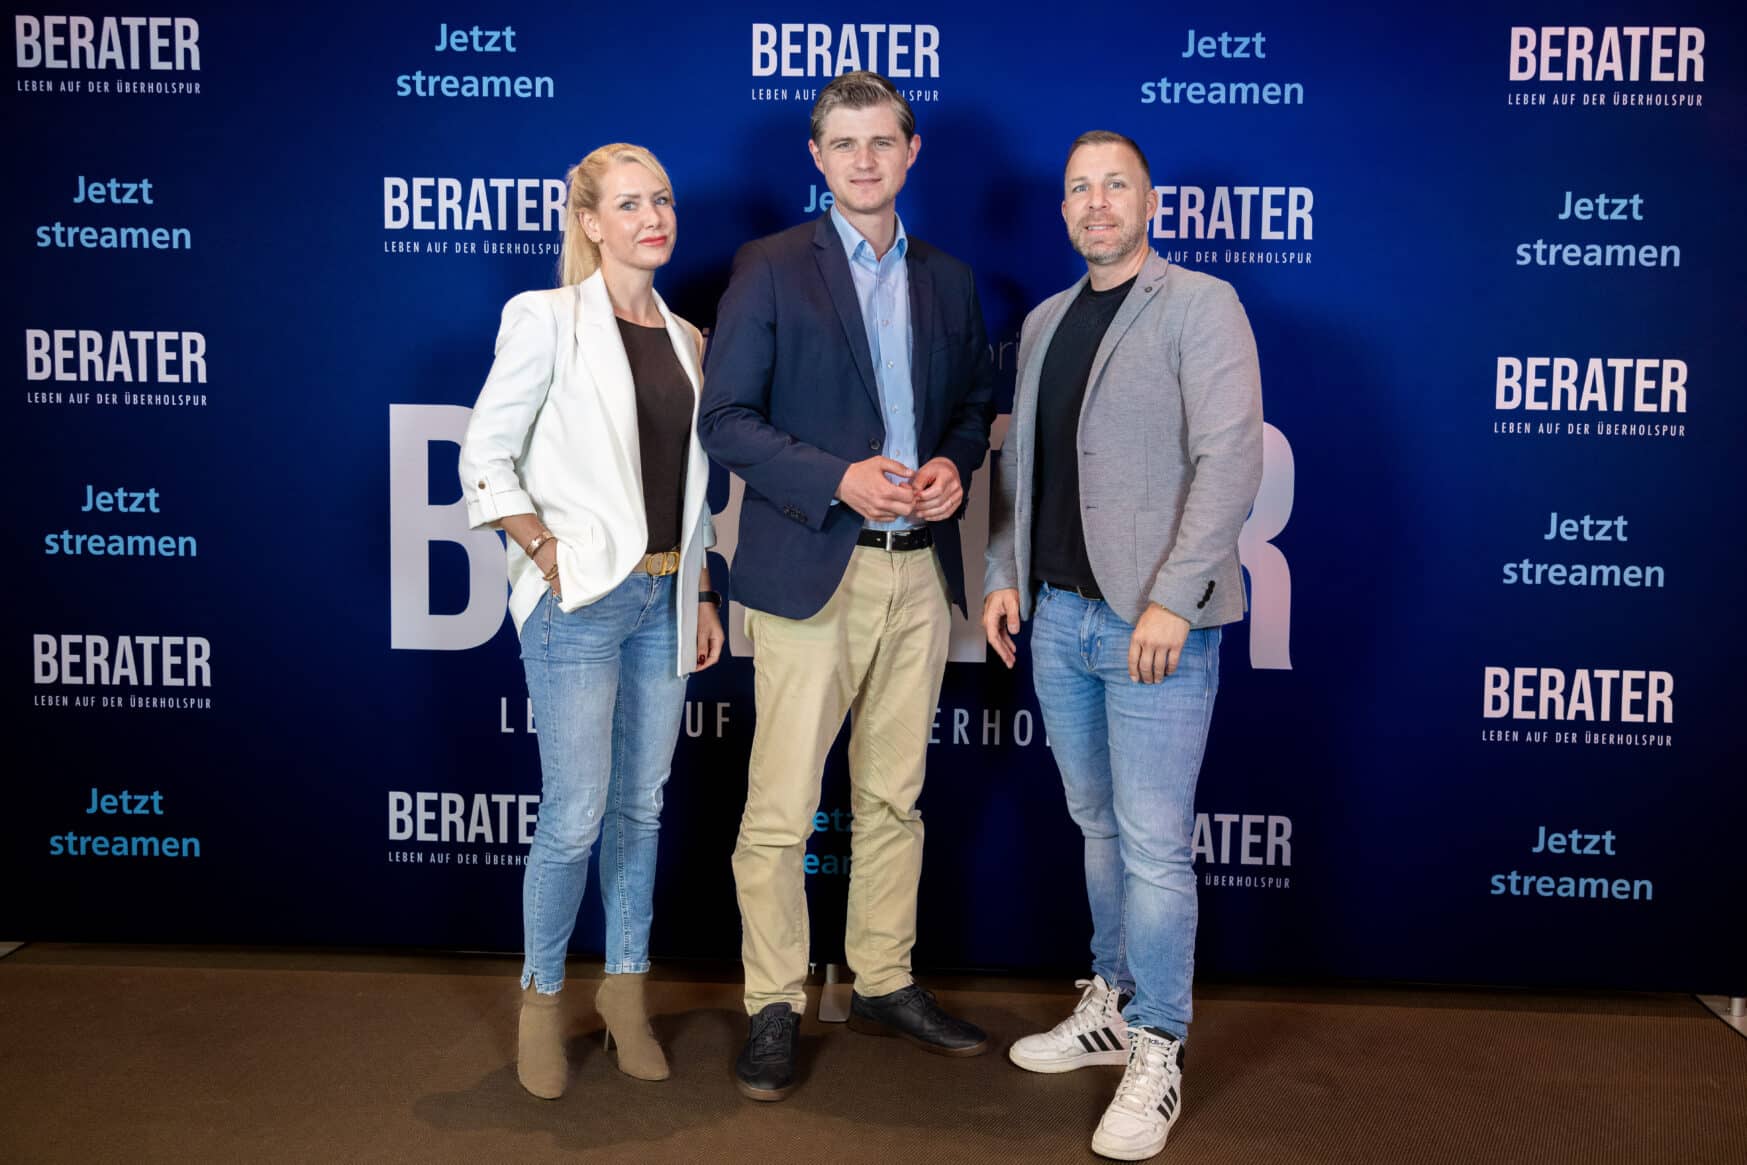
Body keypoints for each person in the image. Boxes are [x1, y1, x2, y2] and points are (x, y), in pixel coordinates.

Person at [699, 70, 996, 1102]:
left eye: (883, 142)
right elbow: (725, 420)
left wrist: (957, 461)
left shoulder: (951, 282)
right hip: (809, 573)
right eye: (844, 144)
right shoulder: (771, 267)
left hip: (918, 579)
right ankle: (773, 1002)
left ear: (911, 154)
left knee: (893, 798)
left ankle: (883, 977)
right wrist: (836, 478)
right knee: (780, 812)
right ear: (817, 160)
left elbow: (969, 408)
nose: (864, 160)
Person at [983, 130, 1263, 1161]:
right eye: (1078, 190)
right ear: (1063, 212)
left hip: (1154, 628)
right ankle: (1108, 1002)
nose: (1096, 204)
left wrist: (1174, 601)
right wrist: (1002, 573)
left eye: (1116, 186)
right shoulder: (1049, 319)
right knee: (1096, 825)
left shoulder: (1200, 306)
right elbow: (1024, 469)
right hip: (1058, 618)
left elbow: (1228, 459)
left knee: (1151, 844)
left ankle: (1157, 1046)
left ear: (1149, 201)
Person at [458, 142, 725, 1099]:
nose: (652, 217)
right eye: (628, 204)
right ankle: (540, 1001)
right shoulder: (546, 318)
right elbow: (485, 453)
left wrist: (698, 592)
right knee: (572, 812)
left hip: (664, 595)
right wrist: (543, 549)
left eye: (662, 199)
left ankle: (623, 996)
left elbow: (694, 491)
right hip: (578, 603)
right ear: (589, 222)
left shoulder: (691, 337)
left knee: (640, 807)